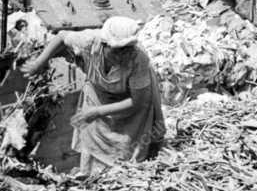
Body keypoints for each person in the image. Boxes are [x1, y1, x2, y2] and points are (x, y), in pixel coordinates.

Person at [21, 16, 165, 175]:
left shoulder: (138, 60)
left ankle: (118, 178)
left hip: (130, 105)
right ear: (105, 45)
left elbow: (138, 102)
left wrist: (97, 112)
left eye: (127, 50)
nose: (123, 55)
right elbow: (62, 37)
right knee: (92, 137)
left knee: (125, 149)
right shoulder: (89, 41)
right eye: (118, 51)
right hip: (98, 93)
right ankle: (91, 176)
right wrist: (39, 63)